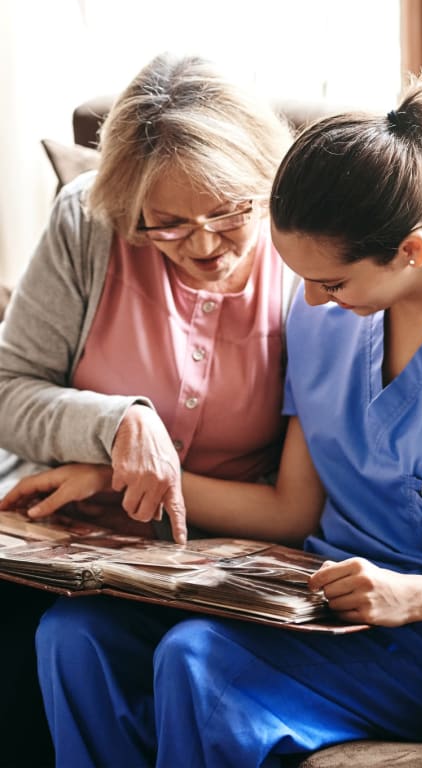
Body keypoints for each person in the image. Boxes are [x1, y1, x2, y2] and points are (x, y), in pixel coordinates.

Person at [8, 73, 422, 767]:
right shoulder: (321, 312)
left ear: (410, 251)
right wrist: (109, 474)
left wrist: (410, 595)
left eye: (331, 283)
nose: (308, 301)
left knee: (196, 658)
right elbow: (291, 507)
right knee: (76, 637)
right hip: (311, 598)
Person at [0, 51, 295, 766]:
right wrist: (115, 423)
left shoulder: (307, 257)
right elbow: (10, 390)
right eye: (166, 225)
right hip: (80, 549)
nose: (202, 245)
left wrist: (110, 478)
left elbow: (301, 503)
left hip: (222, 552)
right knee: (54, 636)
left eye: (228, 214)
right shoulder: (88, 223)